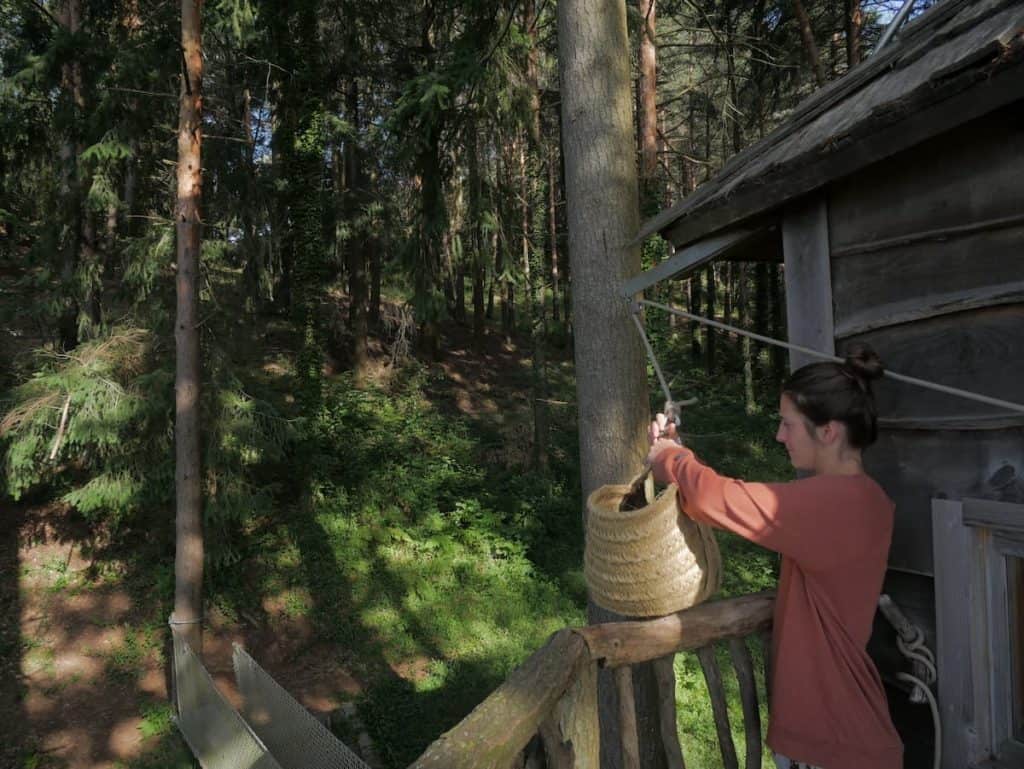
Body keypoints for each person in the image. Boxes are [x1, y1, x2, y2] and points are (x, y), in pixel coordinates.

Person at [646, 344, 903, 769]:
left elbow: (715, 498)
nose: (779, 436)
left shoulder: (834, 504)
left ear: (829, 432)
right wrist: (675, 455)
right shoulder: (865, 499)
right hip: (846, 736)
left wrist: (668, 457)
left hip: (830, 743)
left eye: (788, 424)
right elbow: (717, 501)